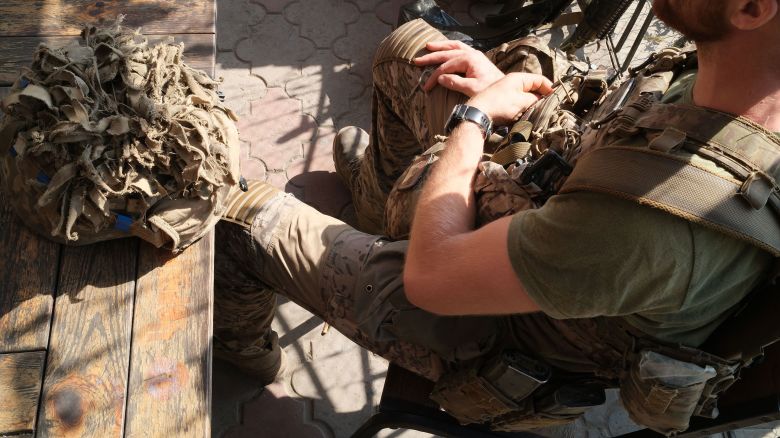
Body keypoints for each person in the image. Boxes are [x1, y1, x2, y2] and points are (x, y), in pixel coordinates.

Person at [213, 0, 779, 432]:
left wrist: (475, 118)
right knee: (410, 50)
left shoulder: (653, 226)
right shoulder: (742, 73)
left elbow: (431, 278)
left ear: (751, 8)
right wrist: (526, 103)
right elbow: (631, 127)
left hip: (491, 328)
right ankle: (378, 204)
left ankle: (247, 353)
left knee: (234, 219)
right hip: (552, 221)